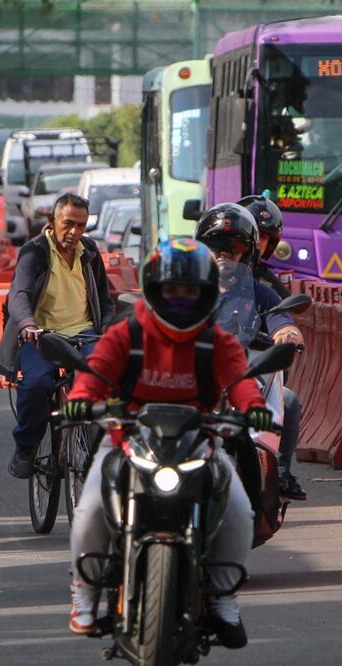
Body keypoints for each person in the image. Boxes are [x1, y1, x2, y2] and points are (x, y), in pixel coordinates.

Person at [62, 238, 272, 648]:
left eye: (190, 292)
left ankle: (224, 596)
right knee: (88, 510)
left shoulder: (216, 339)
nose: (180, 300)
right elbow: (95, 371)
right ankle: (84, 595)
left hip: (200, 441)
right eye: (172, 290)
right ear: (155, 290)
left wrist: (254, 407)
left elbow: (240, 380)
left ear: (206, 294)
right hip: (126, 438)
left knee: (239, 511)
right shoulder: (127, 333)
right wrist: (81, 399)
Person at [0, 192, 115, 479]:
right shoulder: (33, 252)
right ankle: (26, 446)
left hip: (85, 334)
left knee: (103, 380)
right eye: (68, 223)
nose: (74, 232)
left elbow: (105, 300)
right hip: (41, 335)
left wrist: (108, 328)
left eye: (81, 225)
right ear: (51, 221)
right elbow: (19, 295)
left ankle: (98, 446)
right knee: (36, 384)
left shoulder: (90, 251)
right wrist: (27, 324)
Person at [234, 195, 307, 500]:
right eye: (219, 248)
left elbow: (282, 319)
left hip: (249, 370)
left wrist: (287, 333)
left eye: (263, 238)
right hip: (203, 372)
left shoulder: (262, 288)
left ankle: (279, 474)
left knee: (288, 400)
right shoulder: (195, 284)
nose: (226, 257)